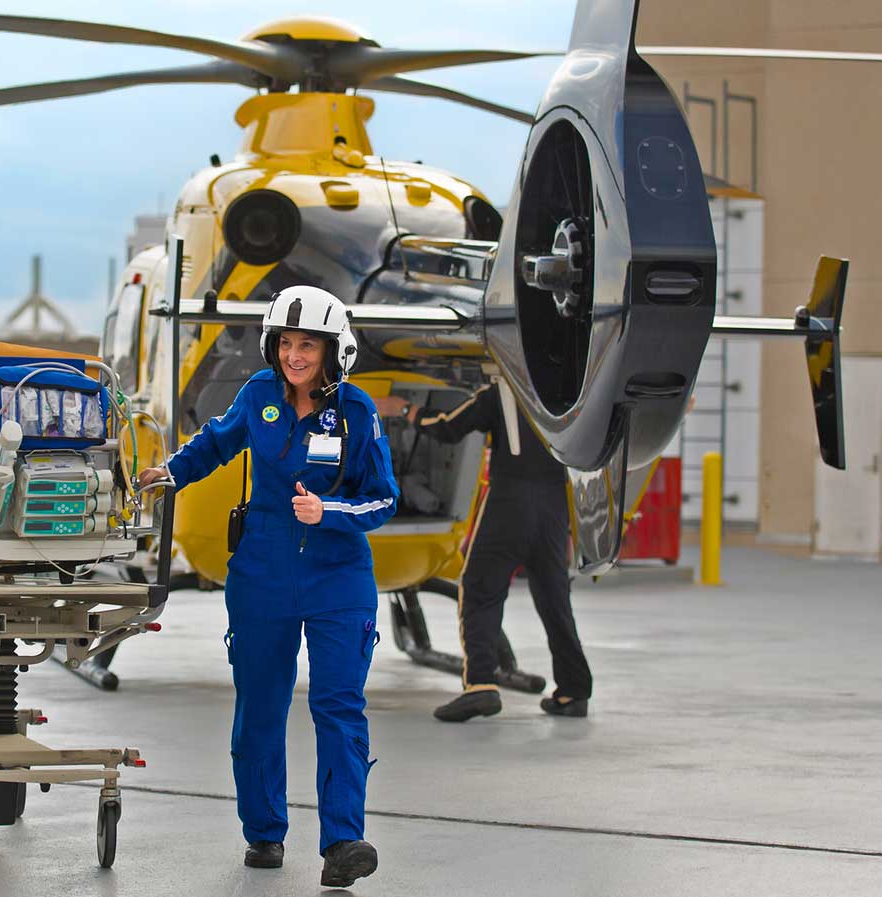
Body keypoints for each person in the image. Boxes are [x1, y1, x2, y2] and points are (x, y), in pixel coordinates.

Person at [134, 285, 394, 888]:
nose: (294, 355)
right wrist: (170, 473)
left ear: (334, 350)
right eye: (285, 342)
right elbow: (215, 444)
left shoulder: (357, 412)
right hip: (262, 573)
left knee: (338, 705)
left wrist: (327, 511)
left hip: (338, 577)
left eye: (307, 345)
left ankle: (343, 843)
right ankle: (264, 832)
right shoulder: (257, 396)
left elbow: (382, 499)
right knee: (261, 705)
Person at [376, 380, 593, 722]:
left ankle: (480, 685)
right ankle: (574, 690)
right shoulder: (573, 395)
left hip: (511, 500)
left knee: (479, 589)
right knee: (554, 597)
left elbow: (448, 427)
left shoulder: (504, 391)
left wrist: (403, 408)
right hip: (554, 503)